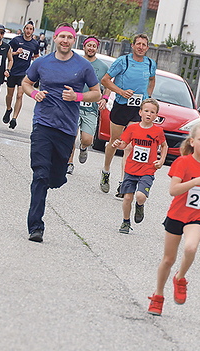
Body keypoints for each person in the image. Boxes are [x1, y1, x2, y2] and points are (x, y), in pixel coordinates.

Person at [21, 23, 100, 243]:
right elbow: (26, 83)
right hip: (43, 125)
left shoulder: (83, 66)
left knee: (55, 178)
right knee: (40, 175)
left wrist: (77, 97)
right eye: (61, 36)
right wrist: (34, 93)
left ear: (73, 40)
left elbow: (97, 93)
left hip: (66, 129)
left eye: (69, 37)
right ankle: (35, 226)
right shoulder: (42, 62)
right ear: (54, 39)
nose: (65, 40)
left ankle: (56, 177)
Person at [147, 121, 200, 316]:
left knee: (191, 247)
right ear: (192, 141)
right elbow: (173, 190)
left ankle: (180, 278)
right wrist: (195, 181)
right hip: (177, 215)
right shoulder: (183, 162)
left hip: (197, 216)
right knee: (168, 259)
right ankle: (158, 295)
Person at [100, 33, 156, 198]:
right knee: (115, 142)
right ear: (132, 45)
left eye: (143, 45)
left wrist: (148, 97)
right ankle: (106, 170)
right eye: (138, 44)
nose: (140, 47)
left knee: (130, 146)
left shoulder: (150, 64)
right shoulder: (122, 61)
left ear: (147, 47)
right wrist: (121, 92)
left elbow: (152, 80)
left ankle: (124, 183)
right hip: (121, 107)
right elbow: (105, 80)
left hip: (137, 109)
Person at [111, 98, 167, 233]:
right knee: (127, 197)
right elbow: (124, 144)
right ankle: (125, 222)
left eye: (152, 112)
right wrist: (118, 144)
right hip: (131, 168)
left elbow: (164, 146)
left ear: (156, 116)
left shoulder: (157, 132)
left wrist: (161, 161)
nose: (149, 114)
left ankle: (140, 205)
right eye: (146, 111)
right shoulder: (132, 128)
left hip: (147, 170)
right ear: (140, 112)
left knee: (140, 196)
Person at [66, 36, 109, 174]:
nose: (91, 48)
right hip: (74, 104)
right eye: (88, 45)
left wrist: (105, 98)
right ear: (84, 46)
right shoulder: (75, 61)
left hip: (91, 108)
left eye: (94, 46)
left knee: (87, 139)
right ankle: (69, 162)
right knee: (72, 134)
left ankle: (83, 148)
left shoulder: (102, 67)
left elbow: (107, 84)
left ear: (97, 48)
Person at [1, 20, 39, 129]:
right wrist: (16, 53)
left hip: (24, 73)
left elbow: (37, 57)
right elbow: (7, 52)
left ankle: (14, 118)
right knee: (10, 95)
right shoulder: (16, 40)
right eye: (27, 28)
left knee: (19, 95)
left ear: (33, 31)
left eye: (30, 29)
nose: (28, 31)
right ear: (24, 29)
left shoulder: (34, 44)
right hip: (13, 71)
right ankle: (9, 109)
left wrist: (36, 68)